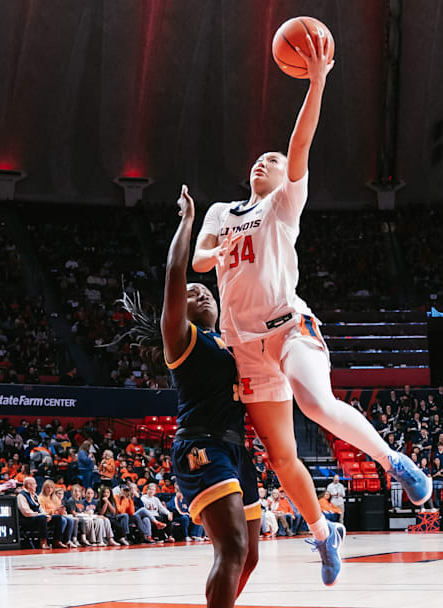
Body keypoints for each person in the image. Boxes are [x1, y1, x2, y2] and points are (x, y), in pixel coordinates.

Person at [190, 24, 428, 586]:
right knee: (281, 456)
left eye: (270, 159)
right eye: (258, 158)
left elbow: (300, 145)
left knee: (317, 403)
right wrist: (216, 245)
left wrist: (315, 82)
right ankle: (325, 533)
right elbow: (199, 261)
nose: (263, 161)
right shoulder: (223, 212)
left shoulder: (283, 203)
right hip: (244, 347)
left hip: (288, 326)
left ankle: (395, 462)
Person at [118, 186, 262, 606]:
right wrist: (187, 221)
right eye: (194, 293)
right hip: (202, 446)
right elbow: (176, 274)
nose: (202, 292)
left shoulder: (228, 341)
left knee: (250, 556)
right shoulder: (182, 340)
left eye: (207, 291)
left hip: (237, 450)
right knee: (232, 548)